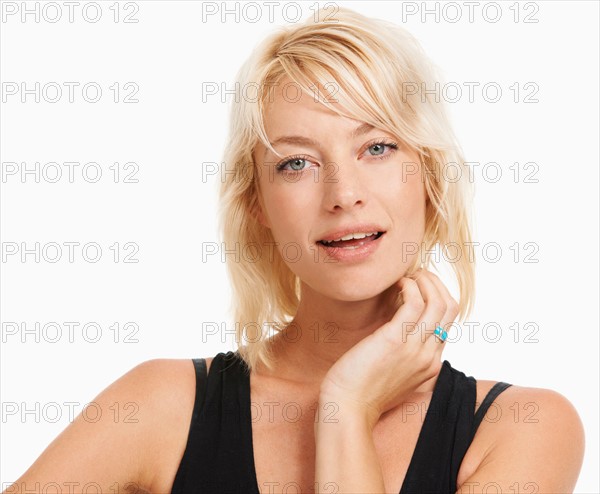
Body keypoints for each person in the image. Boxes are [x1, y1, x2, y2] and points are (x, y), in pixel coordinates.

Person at [3, 7, 585, 494]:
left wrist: (346, 408)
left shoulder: (524, 429)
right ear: (256, 201)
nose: (344, 194)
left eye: (376, 147)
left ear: (429, 176)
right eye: (296, 163)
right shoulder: (160, 408)